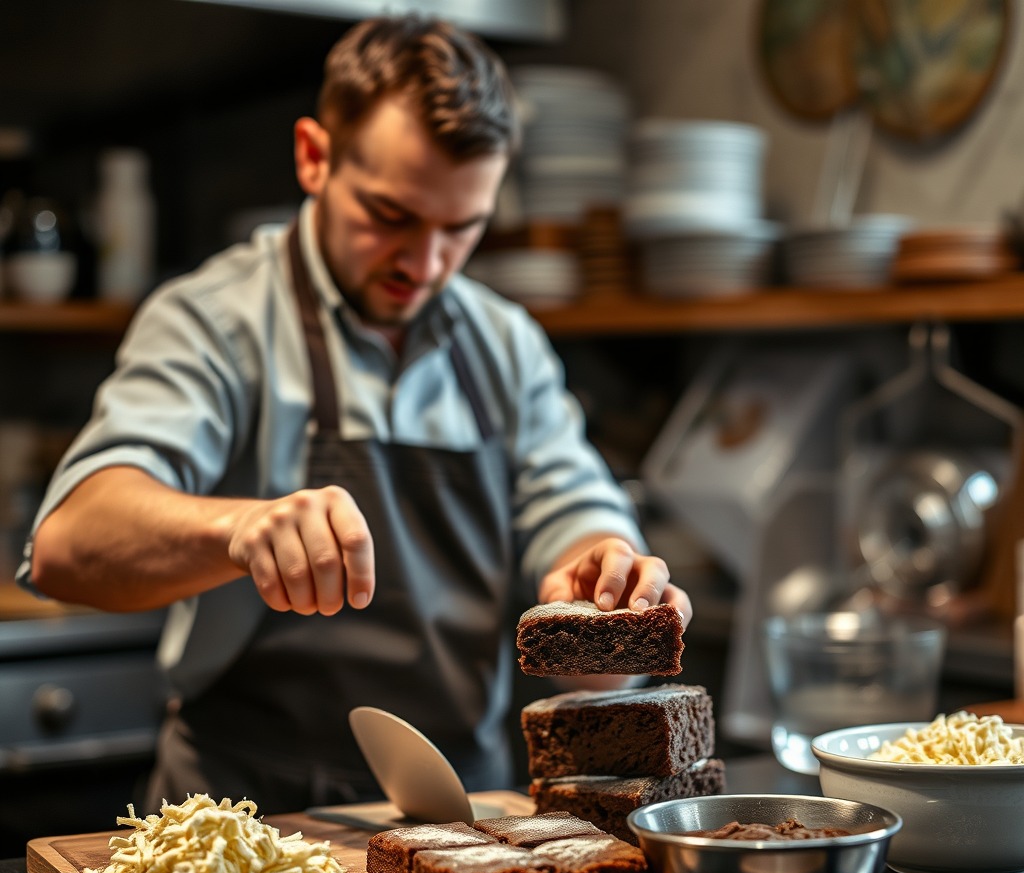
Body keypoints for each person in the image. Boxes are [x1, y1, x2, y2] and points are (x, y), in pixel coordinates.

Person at [18, 15, 691, 814]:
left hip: (456, 801)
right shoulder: (215, 321)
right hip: (239, 804)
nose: (425, 264)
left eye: (462, 228)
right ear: (313, 157)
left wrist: (606, 582)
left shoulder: (506, 346)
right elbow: (68, 543)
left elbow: (574, 523)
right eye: (391, 216)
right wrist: (236, 530)